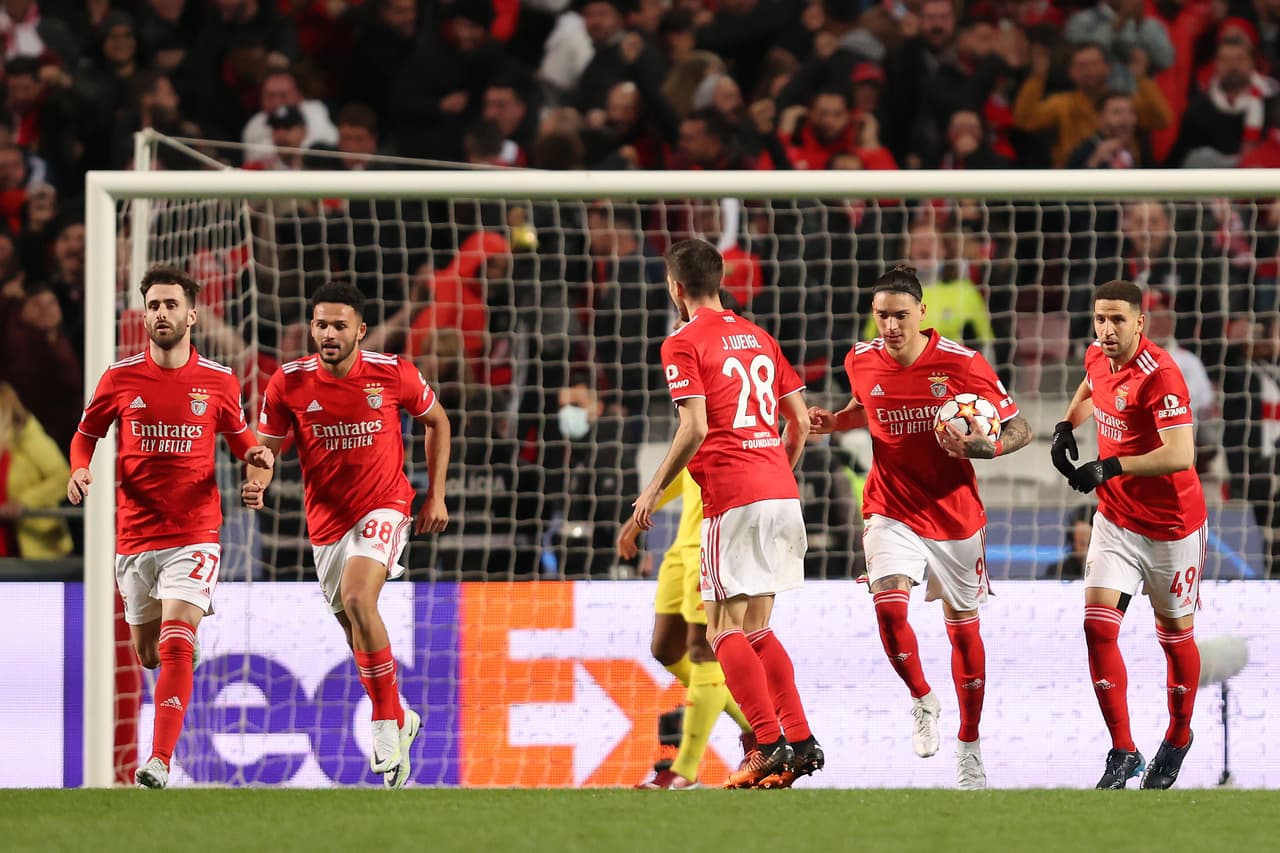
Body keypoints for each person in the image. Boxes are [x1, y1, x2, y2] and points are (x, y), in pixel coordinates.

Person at [809, 265, 1034, 790]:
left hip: (954, 515)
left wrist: (990, 446)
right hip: (890, 507)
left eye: (900, 315)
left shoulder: (963, 363)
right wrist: (835, 422)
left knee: (965, 633)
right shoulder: (859, 359)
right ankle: (922, 698)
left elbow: (1020, 426)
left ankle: (970, 744)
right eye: (882, 315)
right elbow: (865, 408)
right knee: (888, 609)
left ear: (922, 313)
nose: (890, 326)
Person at [66, 265, 274, 789]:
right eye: (153, 306)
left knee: (177, 640)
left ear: (192, 315)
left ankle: (158, 760)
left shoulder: (219, 381)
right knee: (148, 653)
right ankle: (178, 649)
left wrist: (257, 470)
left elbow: (246, 445)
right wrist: (79, 469)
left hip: (195, 532)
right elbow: (85, 435)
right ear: (144, 315)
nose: (161, 313)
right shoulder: (119, 378)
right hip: (135, 536)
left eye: (171, 305)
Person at [243, 280, 451, 790]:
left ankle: (382, 724)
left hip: (385, 504)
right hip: (327, 523)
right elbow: (268, 448)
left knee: (359, 598)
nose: (329, 334)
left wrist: (436, 496)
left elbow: (438, 422)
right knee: (354, 629)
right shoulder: (288, 382)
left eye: (339, 325)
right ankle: (400, 715)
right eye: (321, 325)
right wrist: (257, 481)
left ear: (360, 330)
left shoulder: (392, 372)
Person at [631, 238, 821, 790]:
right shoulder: (760, 336)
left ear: (676, 288)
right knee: (758, 627)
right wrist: (774, 472)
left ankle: (766, 743)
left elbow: (694, 426)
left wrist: (652, 490)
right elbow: (800, 423)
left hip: (733, 495)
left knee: (720, 629)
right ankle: (799, 740)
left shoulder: (682, 342)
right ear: (719, 281)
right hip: (781, 491)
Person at [1050, 279, 1207, 790]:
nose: (1107, 329)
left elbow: (1181, 453)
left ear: (1141, 322)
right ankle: (1123, 750)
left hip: (1171, 528)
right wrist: (1066, 425)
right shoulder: (1098, 354)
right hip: (1116, 521)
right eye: (1100, 318)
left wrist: (1111, 465)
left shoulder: (1161, 376)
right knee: (1097, 628)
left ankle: (1178, 737)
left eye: (1118, 319)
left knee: (1175, 638)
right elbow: (1090, 386)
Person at [619, 464, 756, 789]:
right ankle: (759, 731)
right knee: (665, 649)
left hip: (714, 544)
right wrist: (637, 518)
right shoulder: (694, 435)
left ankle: (685, 771)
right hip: (682, 549)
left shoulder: (733, 435)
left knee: (703, 652)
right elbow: (684, 468)